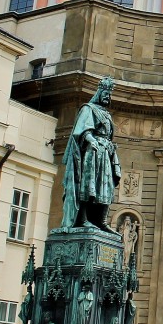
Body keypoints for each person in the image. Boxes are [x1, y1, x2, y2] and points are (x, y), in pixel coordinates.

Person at [60, 77, 121, 231]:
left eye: (109, 95)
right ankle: (82, 219)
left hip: (105, 154)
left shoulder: (106, 114)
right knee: (88, 185)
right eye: (105, 94)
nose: (108, 97)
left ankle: (100, 220)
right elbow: (82, 129)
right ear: (99, 93)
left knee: (106, 186)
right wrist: (90, 139)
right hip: (92, 153)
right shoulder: (88, 108)